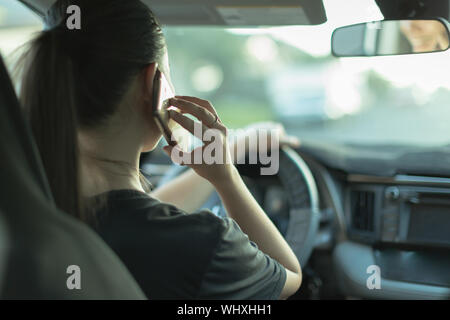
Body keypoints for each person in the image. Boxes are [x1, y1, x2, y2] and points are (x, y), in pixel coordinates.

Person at [17, 0, 302, 299]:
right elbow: (289, 275)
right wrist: (226, 178)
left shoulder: (25, 209)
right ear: (150, 84)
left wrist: (239, 146)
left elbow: (135, 213)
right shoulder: (206, 245)